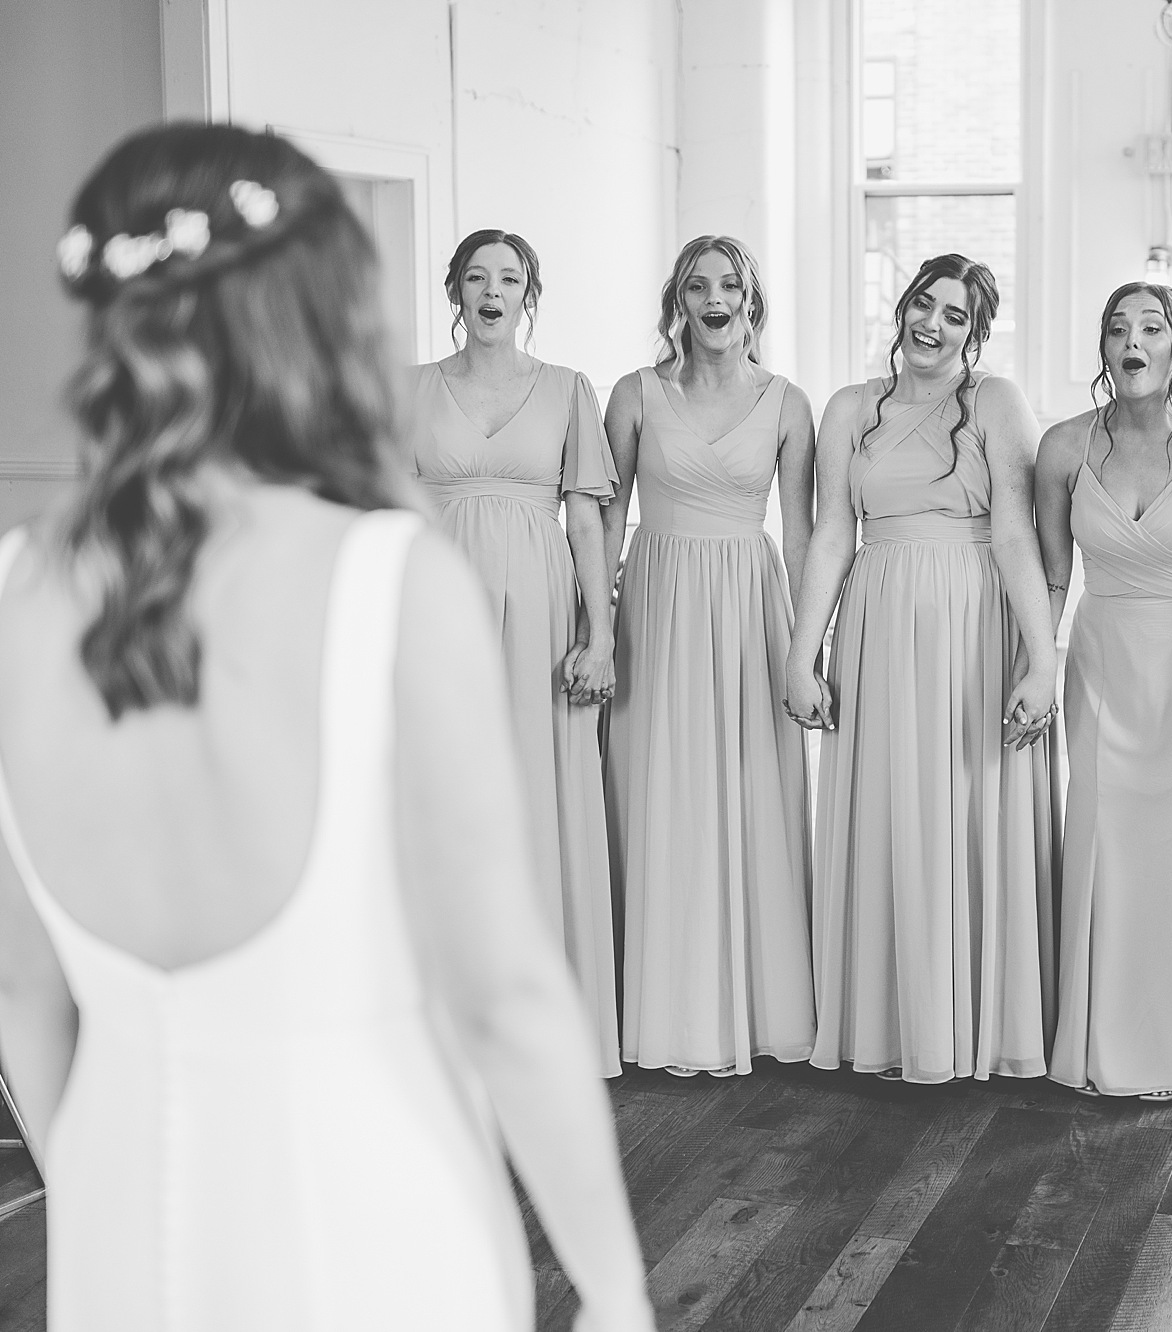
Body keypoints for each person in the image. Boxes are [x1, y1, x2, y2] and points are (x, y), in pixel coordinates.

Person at [0, 122, 652, 1331]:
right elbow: (506, 998)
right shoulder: (388, 581)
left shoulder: (13, 590)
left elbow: (22, 997)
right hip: (370, 1232)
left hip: (116, 1249)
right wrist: (616, 1294)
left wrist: (96, 1192)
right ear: (316, 309)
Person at [785, 253, 1061, 1084]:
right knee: (888, 807)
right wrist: (803, 653)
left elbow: (1017, 534)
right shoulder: (848, 408)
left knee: (968, 806)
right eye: (922, 304)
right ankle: (890, 1023)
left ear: (975, 334)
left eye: (954, 314)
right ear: (902, 307)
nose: (931, 324)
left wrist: (1042, 659)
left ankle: (974, 1024)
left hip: (973, 623)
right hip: (876, 623)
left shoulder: (996, 402)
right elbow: (832, 533)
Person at [1035, 282, 1172, 1100]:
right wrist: (1035, 665)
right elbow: (1051, 578)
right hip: (1103, 664)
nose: (1133, 340)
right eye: (1118, 328)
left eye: (1151, 327)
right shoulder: (1062, 448)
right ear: (1103, 347)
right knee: (1104, 837)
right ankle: (1103, 1040)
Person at [601, 236, 816, 1076]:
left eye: (730, 285)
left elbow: (800, 535)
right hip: (656, 604)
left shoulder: (788, 404)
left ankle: (755, 1006)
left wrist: (807, 646)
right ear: (678, 302)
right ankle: (665, 1008)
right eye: (698, 286)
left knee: (750, 789)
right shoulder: (635, 394)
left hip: (749, 605)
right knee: (661, 789)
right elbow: (605, 517)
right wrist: (595, 623)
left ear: (751, 301)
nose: (715, 298)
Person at [411, 229, 620, 1076]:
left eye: (508, 278)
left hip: (542, 617)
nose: (491, 291)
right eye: (475, 277)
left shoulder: (568, 389)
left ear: (529, 295)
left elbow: (586, 522)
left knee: (539, 793)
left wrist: (600, 634)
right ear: (455, 292)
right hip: (436, 614)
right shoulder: (409, 389)